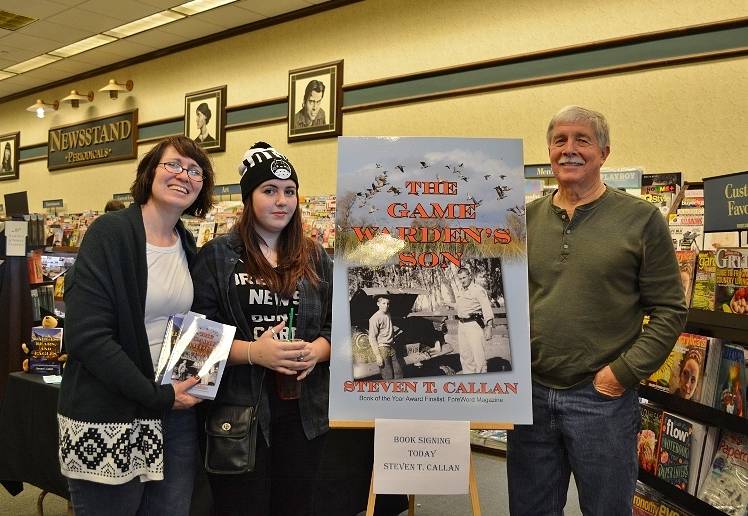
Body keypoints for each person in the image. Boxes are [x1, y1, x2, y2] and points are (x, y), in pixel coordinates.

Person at [506, 106, 687, 515]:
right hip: (530, 395)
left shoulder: (642, 220)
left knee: (606, 509)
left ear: (604, 152)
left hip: (602, 399)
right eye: (560, 141)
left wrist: (619, 376)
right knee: (529, 508)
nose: (569, 150)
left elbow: (671, 309)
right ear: (549, 151)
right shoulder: (523, 220)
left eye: (581, 140)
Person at [57, 135, 215, 516]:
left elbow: (190, 324)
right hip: (112, 415)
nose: (184, 175)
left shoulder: (187, 244)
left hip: (173, 415)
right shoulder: (110, 233)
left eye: (195, 170)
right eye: (173, 165)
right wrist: (156, 395)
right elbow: (88, 337)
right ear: (149, 173)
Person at [191, 141, 333, 515]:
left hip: (306, 415)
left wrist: (315, 351)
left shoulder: (316, 255)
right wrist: (253, 352)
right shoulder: (217, 256)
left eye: (289, 192)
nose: (281, 201)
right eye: (269, 191)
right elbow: (193, 344)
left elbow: (338, 328)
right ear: (248, 197)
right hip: (238, 416)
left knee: (296, 507)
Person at [451, 267, 494, 374]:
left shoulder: (478, 290)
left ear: (470, 276)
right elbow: (462, 307)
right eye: (460, 279)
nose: (462, 280)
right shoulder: (461, 290)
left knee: (478, 355)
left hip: (473, 325)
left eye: (464, 277)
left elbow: (486, 308)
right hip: (462, 325)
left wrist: (489, 327)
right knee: (466, 356)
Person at [368, 295, 406, 380]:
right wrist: (378, 356)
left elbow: (388, 329)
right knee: (388, 375)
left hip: (391, 347)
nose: (386, 305)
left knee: (398, 372)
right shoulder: (374, 318)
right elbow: (372, 338)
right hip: (382, 349)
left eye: (388, 304)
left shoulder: (388, 314)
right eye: (383, 303)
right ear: (378, 304)